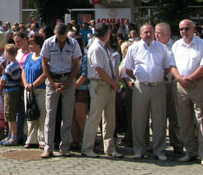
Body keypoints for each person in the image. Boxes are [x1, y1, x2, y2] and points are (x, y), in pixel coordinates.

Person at [124, 23, 174, 161]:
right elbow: (127, 69)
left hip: (158, 86)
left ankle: (159, 150)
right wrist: (137, 79)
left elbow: (167, 67)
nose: (148, 34)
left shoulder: (162, 48)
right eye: (145, 32)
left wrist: (159, 76)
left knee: (159, 120)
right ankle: (139, 150)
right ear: (140, 34)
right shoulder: (134, 48)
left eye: (150, 32)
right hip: (141, 87)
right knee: (139, 120)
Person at [170, 19, 203, 166]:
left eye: (187, 29)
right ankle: (190, 152)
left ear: (193, 29)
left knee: (202, 119)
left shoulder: (202, 44)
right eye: (181, 29)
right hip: (181, 85)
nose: (184, 32)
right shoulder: (176, 45)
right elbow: (172, 65)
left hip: (198, 83)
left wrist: (191, 78)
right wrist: (180, 79)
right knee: (185, 120)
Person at [41, 22, 82, 158]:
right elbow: (44, 64)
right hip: (53, 80)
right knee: (50, 115)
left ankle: (65, 146)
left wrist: (69, 82)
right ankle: (48, 147)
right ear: (55, 33)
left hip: (68, 80)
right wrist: (53, 82)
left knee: (67, 115)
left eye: (64, 36)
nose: (62, 39)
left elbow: (76, 65)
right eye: (59, 36)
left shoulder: (74, 44)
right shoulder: (48, 43)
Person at [81, 21, 120, 158]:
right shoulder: (96, 47)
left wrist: (114, 82)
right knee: (95, 117)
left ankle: (109, 148)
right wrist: (113, 83)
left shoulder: (104, 47)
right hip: (100, 84)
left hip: (108, 85)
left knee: (110, 118)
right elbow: (99, 69)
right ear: (106, 33)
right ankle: (87, 147)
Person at [155, 22, 184, 156]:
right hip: (157, 84)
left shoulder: (176, 46)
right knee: (157, 117)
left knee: (175, 116)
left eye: (160, 33)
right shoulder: (153, 46)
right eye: (156, 32)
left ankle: (177, 144)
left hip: (172, 83)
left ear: (168, 34)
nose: (157, 35)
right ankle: (158, 144)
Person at [22, 33, 46, 149]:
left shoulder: (44, 57)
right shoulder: (28, 57)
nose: (30, 46)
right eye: (30, 44)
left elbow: (45, 73)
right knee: (30, 115)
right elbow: (23, 71)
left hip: (41, 90)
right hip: (28, 90)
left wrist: (34, 85)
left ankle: (42, 140)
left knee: (42, 115)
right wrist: (26, 84)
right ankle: (31, 139)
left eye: (33, 44)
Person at [0, 44, 22, 146]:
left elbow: (3, 80)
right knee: (8, 115)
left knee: (10, 115)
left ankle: (14, 137)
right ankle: (9, 135)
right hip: (13, 90)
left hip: (10, 91)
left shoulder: (11, 66)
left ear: (8, 54)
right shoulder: (17, 65)